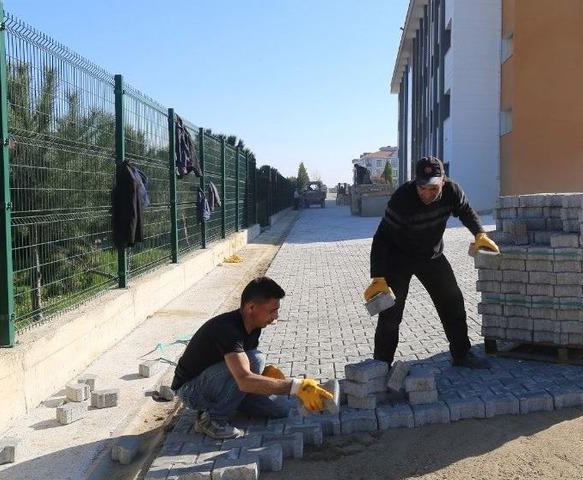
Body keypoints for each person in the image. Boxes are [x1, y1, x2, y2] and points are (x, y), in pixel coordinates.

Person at [363, 156, 500, 369]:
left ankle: (462, 354)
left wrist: (479, 234)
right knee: (390, 313)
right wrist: (378, 276)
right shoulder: (402, 198)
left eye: (433, 188)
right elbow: (382, 237)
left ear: (443, 181)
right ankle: (381, 366)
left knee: (453, 302)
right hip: (398, 258)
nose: (427, 194)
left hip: (431, 256)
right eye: (422, 188)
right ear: (415, 182)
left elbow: (465, 211)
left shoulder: (452, 191)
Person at [172, 276, 333, 440]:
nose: (276, 316)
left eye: (277, 310)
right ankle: (212, 420)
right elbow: (244, 380)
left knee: (280, 410)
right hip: (191, 390)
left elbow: (243, 370)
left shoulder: (254, 326)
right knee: (256, 359)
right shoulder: (227, 329)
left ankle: (228, 402)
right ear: (251, 308)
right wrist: (297, 386)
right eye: (272, 311)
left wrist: (266, 377)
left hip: (222, 383)